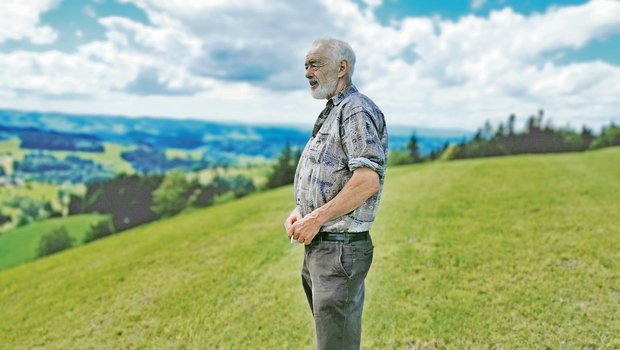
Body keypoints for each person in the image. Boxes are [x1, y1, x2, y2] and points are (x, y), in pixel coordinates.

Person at [284, 38, 388, 350]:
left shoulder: (355, 110)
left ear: (342, 68)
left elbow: (367, 181)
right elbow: (327, 172)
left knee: (336, 344)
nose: (307, 73)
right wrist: (301, 211)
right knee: (331, 339)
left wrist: (315, 218)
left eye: (314, 64)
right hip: (324, 246)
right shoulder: (336, 110)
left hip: (338, 250)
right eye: (305, 65)